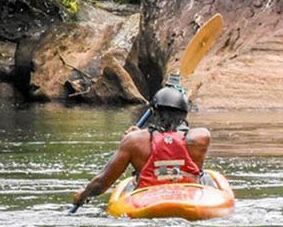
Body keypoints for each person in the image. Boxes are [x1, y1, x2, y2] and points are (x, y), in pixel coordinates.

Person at [71, 86, 212, 209]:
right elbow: (178, 135)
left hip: (147, 199)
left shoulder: (134, 141)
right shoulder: (201, 137)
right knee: (205, 177)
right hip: (189, 196)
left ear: (154, 111)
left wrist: (82, 196)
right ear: (185, 114)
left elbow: (102, 182)